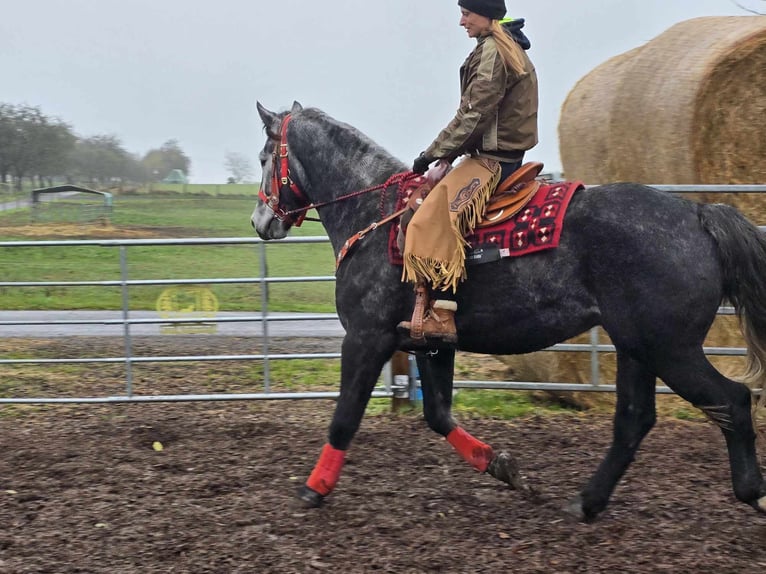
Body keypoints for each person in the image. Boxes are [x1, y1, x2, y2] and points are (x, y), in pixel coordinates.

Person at [398, 0, 539, 346]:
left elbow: (473, 114)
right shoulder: (500, 44)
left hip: (493, 160)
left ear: (486, 14)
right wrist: (447, 156)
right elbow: (475, 117)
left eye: (466, 13)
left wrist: (432, 154)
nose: (461, 21)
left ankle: (443, 315)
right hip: (491, 153)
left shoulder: (494, 50)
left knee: (431, 217)